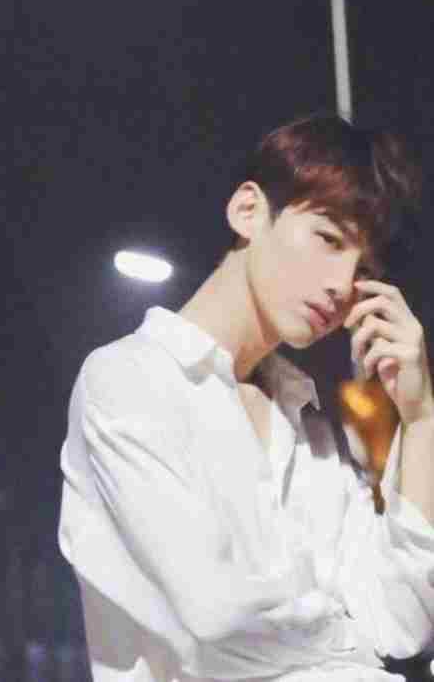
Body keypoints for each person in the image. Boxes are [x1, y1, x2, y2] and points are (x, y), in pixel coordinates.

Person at [58, 114, 434, 682]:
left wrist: (421, 416)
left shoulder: (309, 427)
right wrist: (353, 645)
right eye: (328, 239)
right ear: (248, 210)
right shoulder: (127, 381)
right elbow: (220, 616)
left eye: (363, 269)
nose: (342, 284)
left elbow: (400, 621)